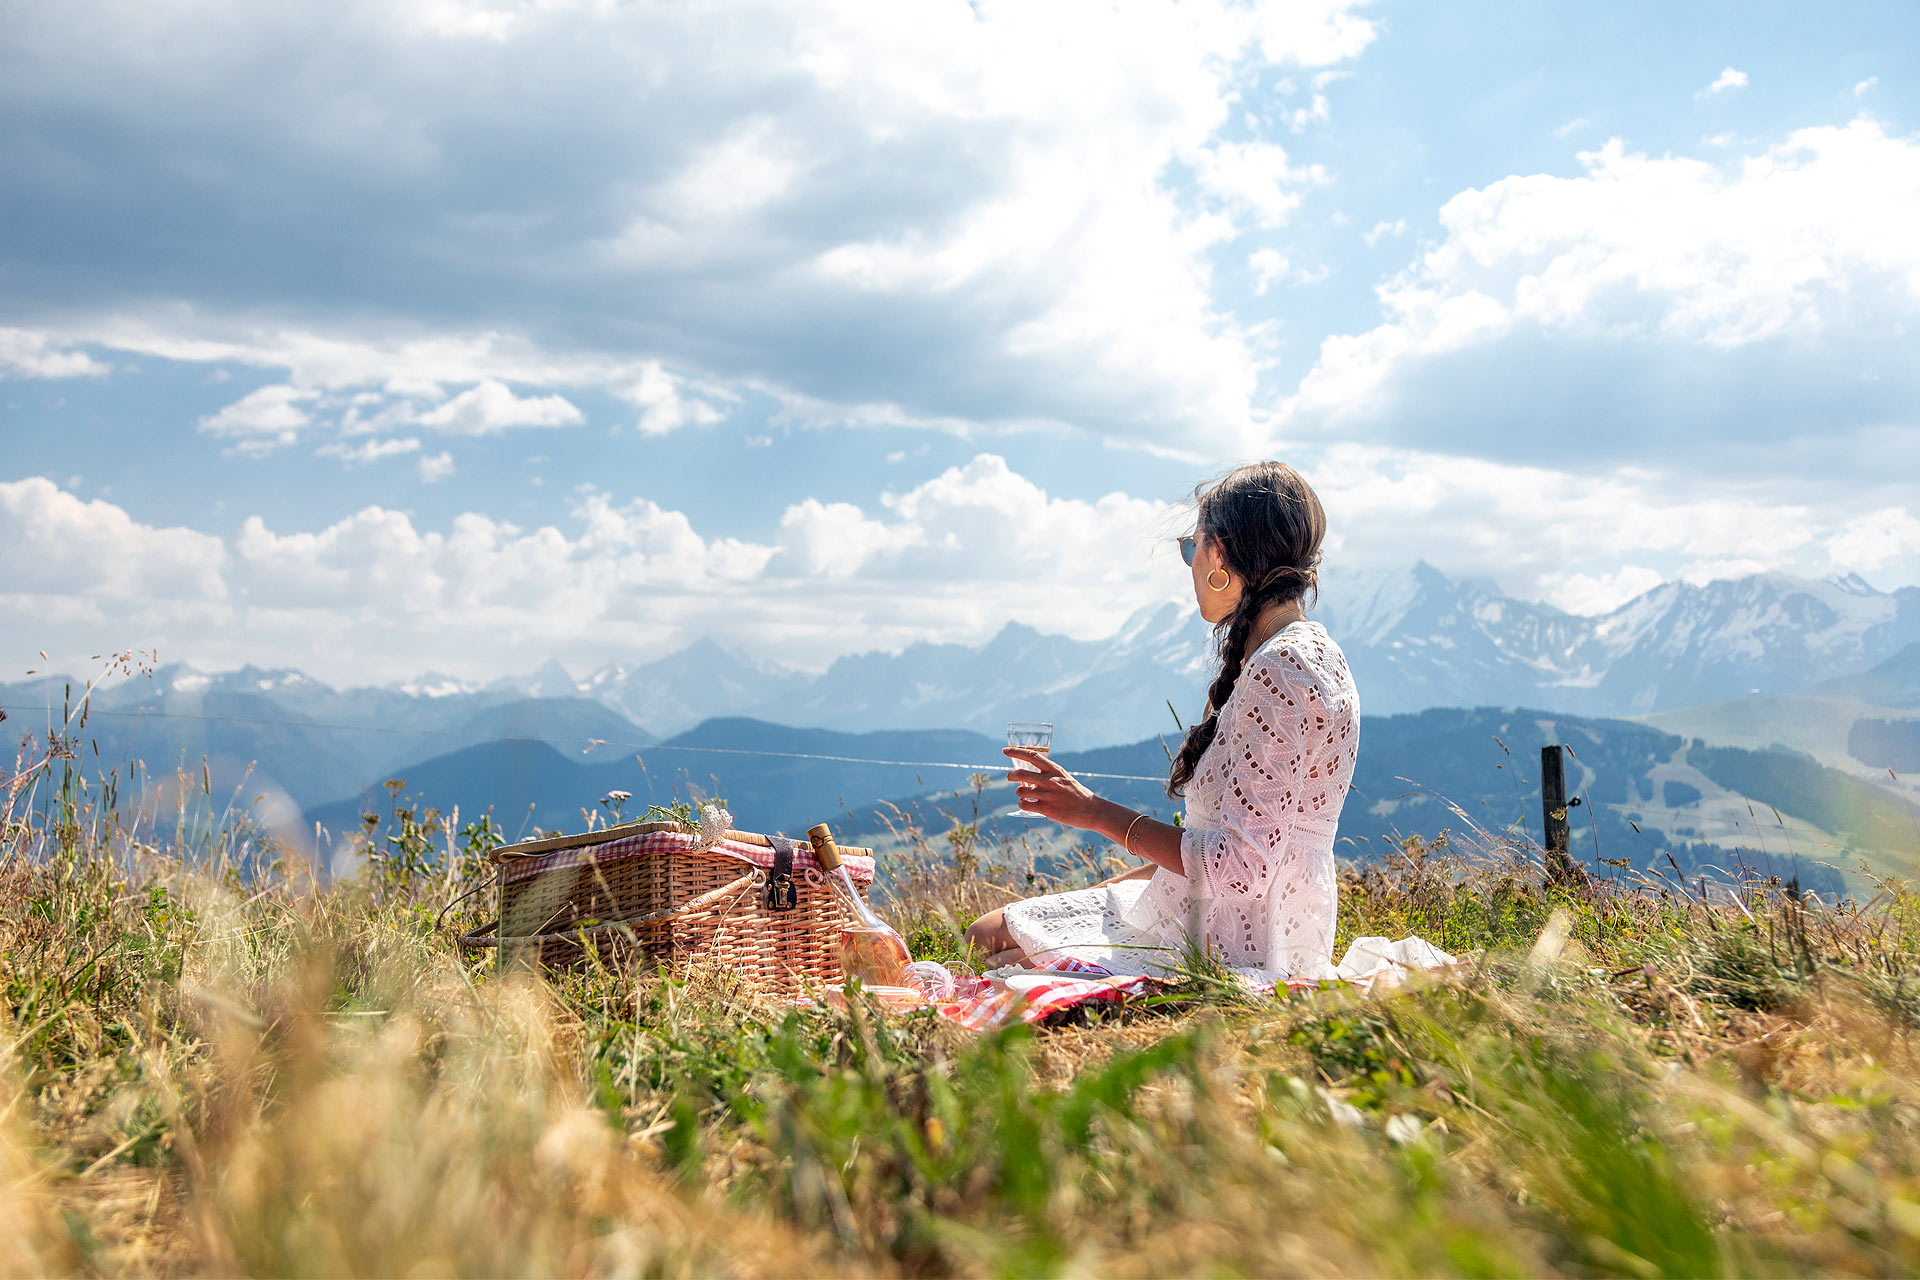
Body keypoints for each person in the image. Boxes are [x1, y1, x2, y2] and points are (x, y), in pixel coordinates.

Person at [965, 460, 1362, 982]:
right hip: (1248, 918)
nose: (1190, 564)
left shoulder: (1281, 670)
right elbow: (1239, 840)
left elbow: (1240, 870)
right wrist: (1105, 890)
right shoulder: (1299, 656)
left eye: (1189, 547)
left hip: (1235, 937)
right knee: (991, 935)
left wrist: (1095, 813)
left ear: (1218, 553)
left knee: (987, 944)